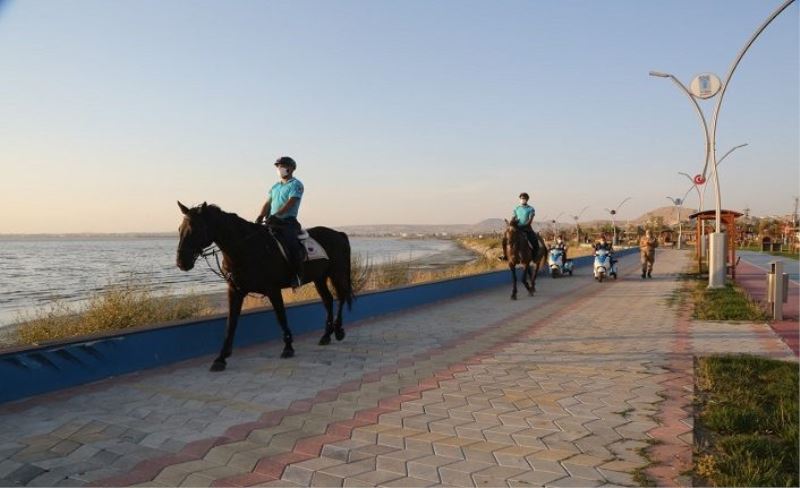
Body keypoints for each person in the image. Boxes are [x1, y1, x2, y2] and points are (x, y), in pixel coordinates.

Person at [256, 156, 305, 287]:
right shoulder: (275, 187)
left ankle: (297, 275)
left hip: (288, 222)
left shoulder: (296, 184)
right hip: (272, 221)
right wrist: (261, 216)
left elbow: (291, 202)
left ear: (291, 168)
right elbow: (268, 203)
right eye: (278, 166)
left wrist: (277, 214)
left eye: (282, 166)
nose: (280, 169)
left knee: (291, 244)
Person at [500, 193, 539, 261]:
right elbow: (513, 218)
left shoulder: (530, 209)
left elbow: (529, 221)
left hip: (527, 228)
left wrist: (522, 225)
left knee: (534, 240)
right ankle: (505, 255)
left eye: (523, 199)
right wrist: (511, 223)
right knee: (505, 239)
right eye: (521, 199)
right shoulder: (516, 209)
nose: (522, 200)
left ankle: (535, 256)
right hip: (516, 228)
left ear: (527, 200)